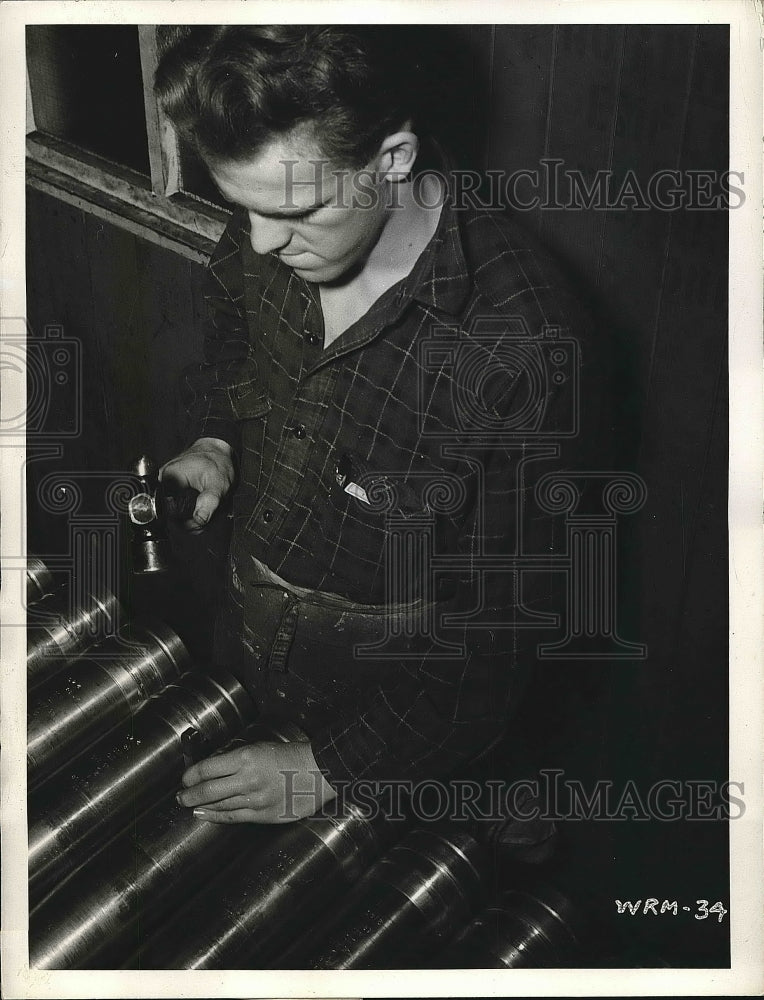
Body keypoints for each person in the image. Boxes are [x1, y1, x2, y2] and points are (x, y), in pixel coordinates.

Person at [155, 26, 613, 837]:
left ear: (393, 159)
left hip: (401, 733)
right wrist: (219, 439)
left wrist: (330, 769)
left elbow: (503, 634)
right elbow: (233, 325)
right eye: (243, 208)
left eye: (293, 211)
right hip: (244, 632)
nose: (259, 241)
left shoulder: (521, 348)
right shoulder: (272, 223)